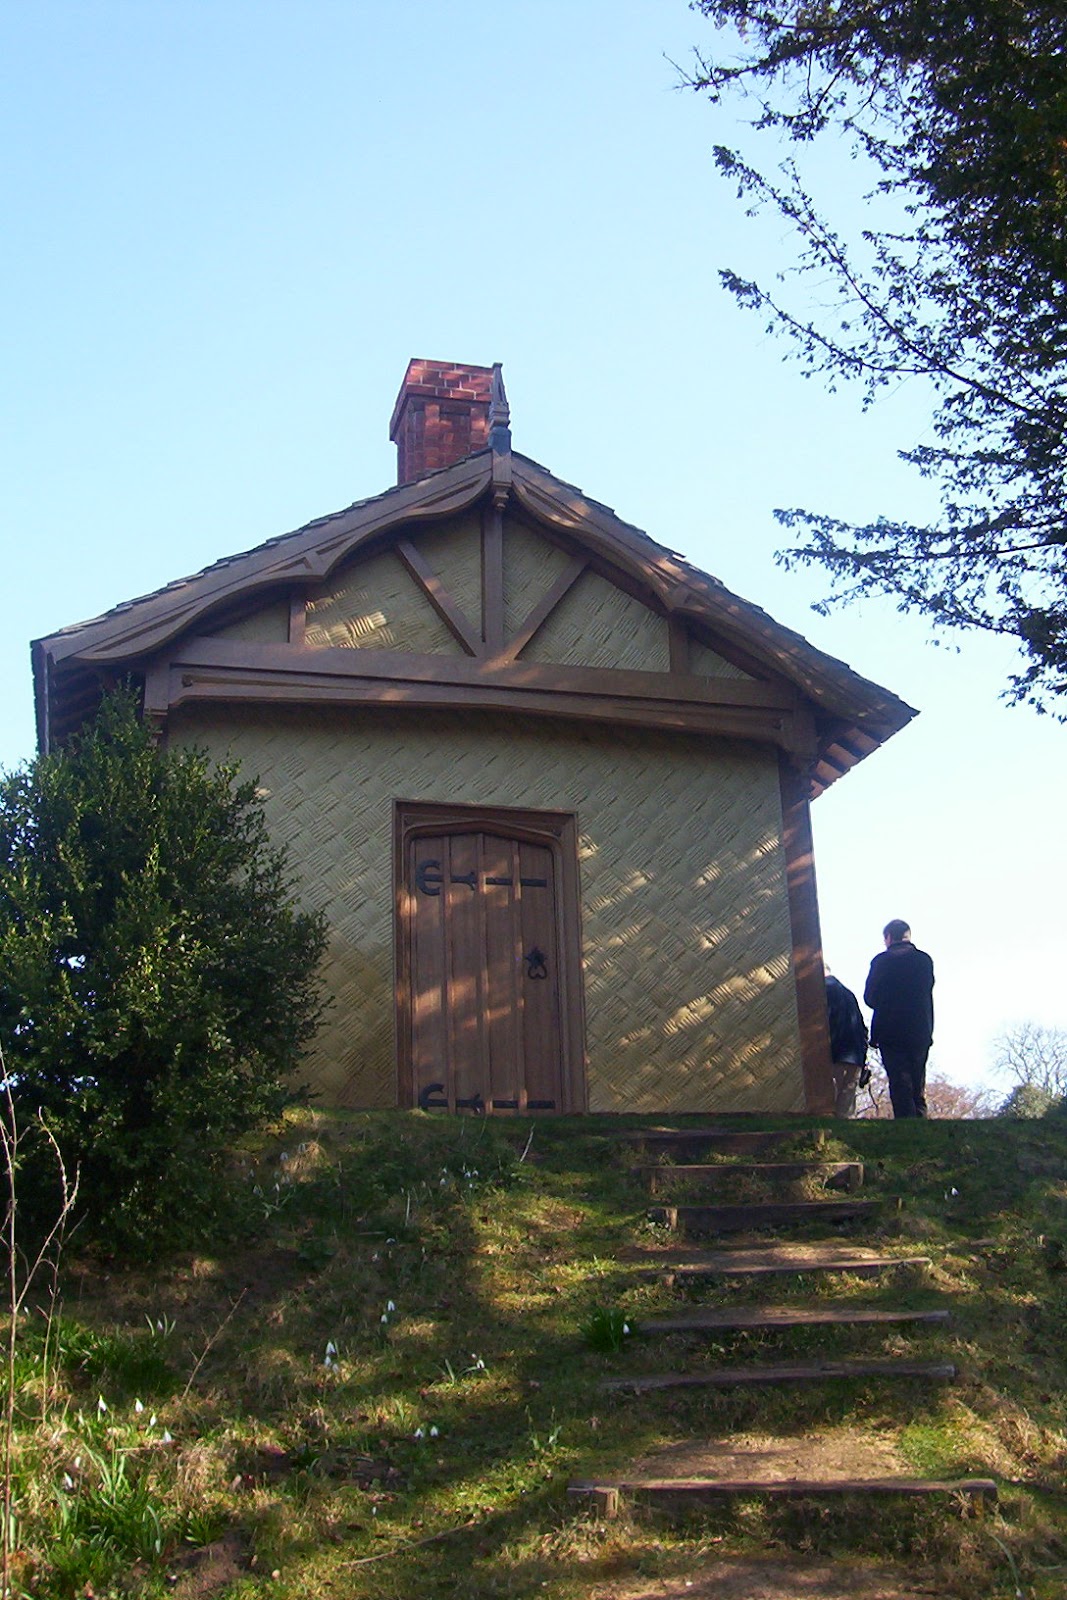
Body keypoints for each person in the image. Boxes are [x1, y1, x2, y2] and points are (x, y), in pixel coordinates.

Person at [863, 919, 935, 1119]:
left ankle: (905, 1120)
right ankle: (920, 1116)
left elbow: (870, 997)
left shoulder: (881, 962)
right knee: (917, 1077)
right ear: (908, 936)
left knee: (899, 1079)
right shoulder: (924, 960)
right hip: (919, 1027)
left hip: (890, 1029)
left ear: (888, 938)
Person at [824, 965, 870, 1117]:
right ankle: (845, 1137)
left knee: (828, 1106)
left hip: (834, 1053)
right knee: (846, 1107)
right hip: (854, 1056)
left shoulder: (820, 993)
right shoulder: (848, 993)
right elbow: (862, 1028)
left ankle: (830, 1136)